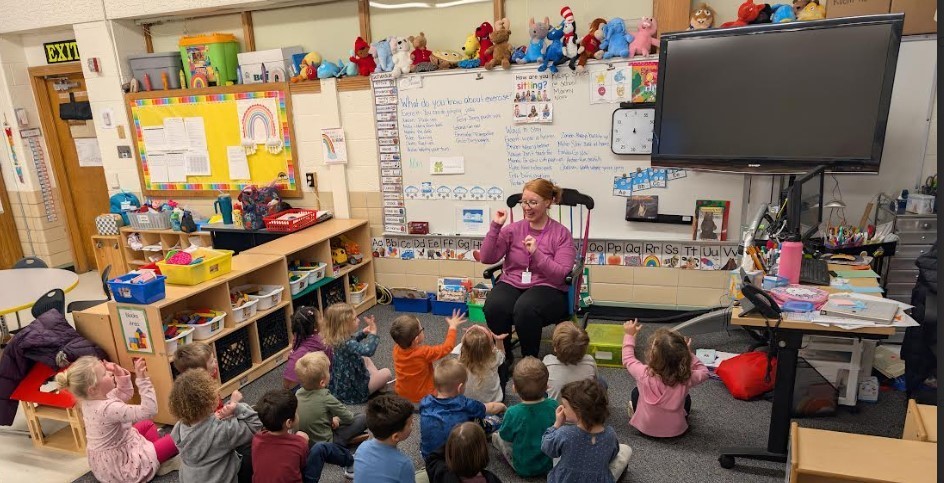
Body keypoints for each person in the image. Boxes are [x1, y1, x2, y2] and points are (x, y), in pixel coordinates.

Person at [480, 178, 576, 390]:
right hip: (514, 281)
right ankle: (503, 355)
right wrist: (496, 227)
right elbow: (486, 257)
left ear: (548, 202)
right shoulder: (513, 230)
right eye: (524, 202)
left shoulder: (561, 234)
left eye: (533, 202)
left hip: (549, 286)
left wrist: (537, 253)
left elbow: (561, 274)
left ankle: (529, 361)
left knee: (525, 308)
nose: (527, 207)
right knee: (495, 305)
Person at [55, 357, 179, 483]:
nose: (110, 373)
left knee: (147, 424)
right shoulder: (107, 409)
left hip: (107, 461)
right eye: (104, 374)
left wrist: (119, 374)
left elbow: (125, 394)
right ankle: (154, 461)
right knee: (178, 436)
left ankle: (155, 459)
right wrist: (143, 380)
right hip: (122, 466)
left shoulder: (90, 400)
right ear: (93, 389)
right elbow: (149, 411)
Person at [170, 369, 262, 483]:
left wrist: (216, 418)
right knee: (250, 449)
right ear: (211, 399)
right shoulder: (222, 431)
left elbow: (200, 430)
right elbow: (256, 424)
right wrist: (236, 406)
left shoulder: (179, 428)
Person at [622, 319, 709, 437]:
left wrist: (629, 335)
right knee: (686, 398)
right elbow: (705, 373)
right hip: (676, 432)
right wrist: (689, 355)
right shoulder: (686, 378)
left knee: (636, 392)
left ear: (652, 356)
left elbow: (628, 359)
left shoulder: (643, 374)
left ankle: (639, 414)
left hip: (644, 428)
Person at [252, 388, 354, 483]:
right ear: (289, 423)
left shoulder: (257, 438)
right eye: (296, 412)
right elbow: (302, 465)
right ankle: (352, 462)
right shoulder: (299, 443)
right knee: (321, 448)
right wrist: (302, 441)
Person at [541, 379, 632, 483]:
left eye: (565, 406)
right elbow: (612, 455)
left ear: (578, 411)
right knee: (625, 450)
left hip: (565, 479)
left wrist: (557, 424)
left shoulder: (565, 433)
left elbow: (546, 447)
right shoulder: (610, 434)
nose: (561, 408)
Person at [419, 359, 506, 461]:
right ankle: (489, 427)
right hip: (455, 459)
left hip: (428, 456)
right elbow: (491, 407)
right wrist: (503, 407)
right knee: (479, 415)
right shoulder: (464, 404)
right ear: (460, 387)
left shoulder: (425, 402)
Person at [491, 357, 557, 478]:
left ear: (514, 388)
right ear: (547, 386)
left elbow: (506, 436)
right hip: (548, 464)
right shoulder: (554, 405)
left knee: (498, 437)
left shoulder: (512, 412)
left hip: (522, 467)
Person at [321, 303, 393, 404]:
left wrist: (363, 332)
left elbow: (353, 339)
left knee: (365, 359)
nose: (358, 320)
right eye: (354, 319)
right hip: (355, 392)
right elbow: (368, 350)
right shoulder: (348, 343)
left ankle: (377, 382)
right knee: (387, 372)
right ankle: (378, 384)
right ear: (344, 325)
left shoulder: (338, 338)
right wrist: (373, 333)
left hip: (344, 384)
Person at [295, 351, 367, 449]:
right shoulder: (326, 397)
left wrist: (332, 419)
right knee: (362, 418)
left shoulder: (297, 394)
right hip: (327, 444)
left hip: (306, 442)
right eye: (328, 371)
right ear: (322, 382)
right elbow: (349, 418)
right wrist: (337, 419)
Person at [391, 310, 464, 403]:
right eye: (422, 329)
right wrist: (452, 327)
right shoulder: (423, 353)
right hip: (423, 395)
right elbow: (447, 347)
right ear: (416, 339)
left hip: (401, 393)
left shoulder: (396, 349)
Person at [353, 394, 417, 483]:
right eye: (410, 424)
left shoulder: (362, 447)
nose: (413, 423)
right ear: (395, 436)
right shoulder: (404, 464)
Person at [173, 341, 237, 416]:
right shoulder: (200, 395)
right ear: (201, 371)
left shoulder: (209, 374)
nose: (216, 361)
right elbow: (212, 419)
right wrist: (233, 402)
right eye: (211, 361)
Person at [425, 422, 502, 483]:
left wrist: (454, 442)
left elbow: (432, 458)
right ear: (484, 451)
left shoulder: (443, 474)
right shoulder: (491, 479)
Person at [543, 321, 598, 400]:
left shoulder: (548, 362)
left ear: (555, 348)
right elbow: (595, 379)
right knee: (602, 382)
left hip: (557, 406)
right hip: (583, 404)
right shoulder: (590, 361)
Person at [284, 306, 333, 389]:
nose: (322, 320)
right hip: (307, 386)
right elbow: (330, 366)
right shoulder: (322, 343)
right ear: (315, 327)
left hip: (291, 386)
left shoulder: (297, 339)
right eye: (320, 318)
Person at [456, 325, 505, 403]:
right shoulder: (495, 358)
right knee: (503, 365)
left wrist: (467, 333)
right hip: (494, 402)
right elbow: (502, 353)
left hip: (468, 404)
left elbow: (464, 345)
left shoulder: (461, 360)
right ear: (490, 345)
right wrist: (499, 340)